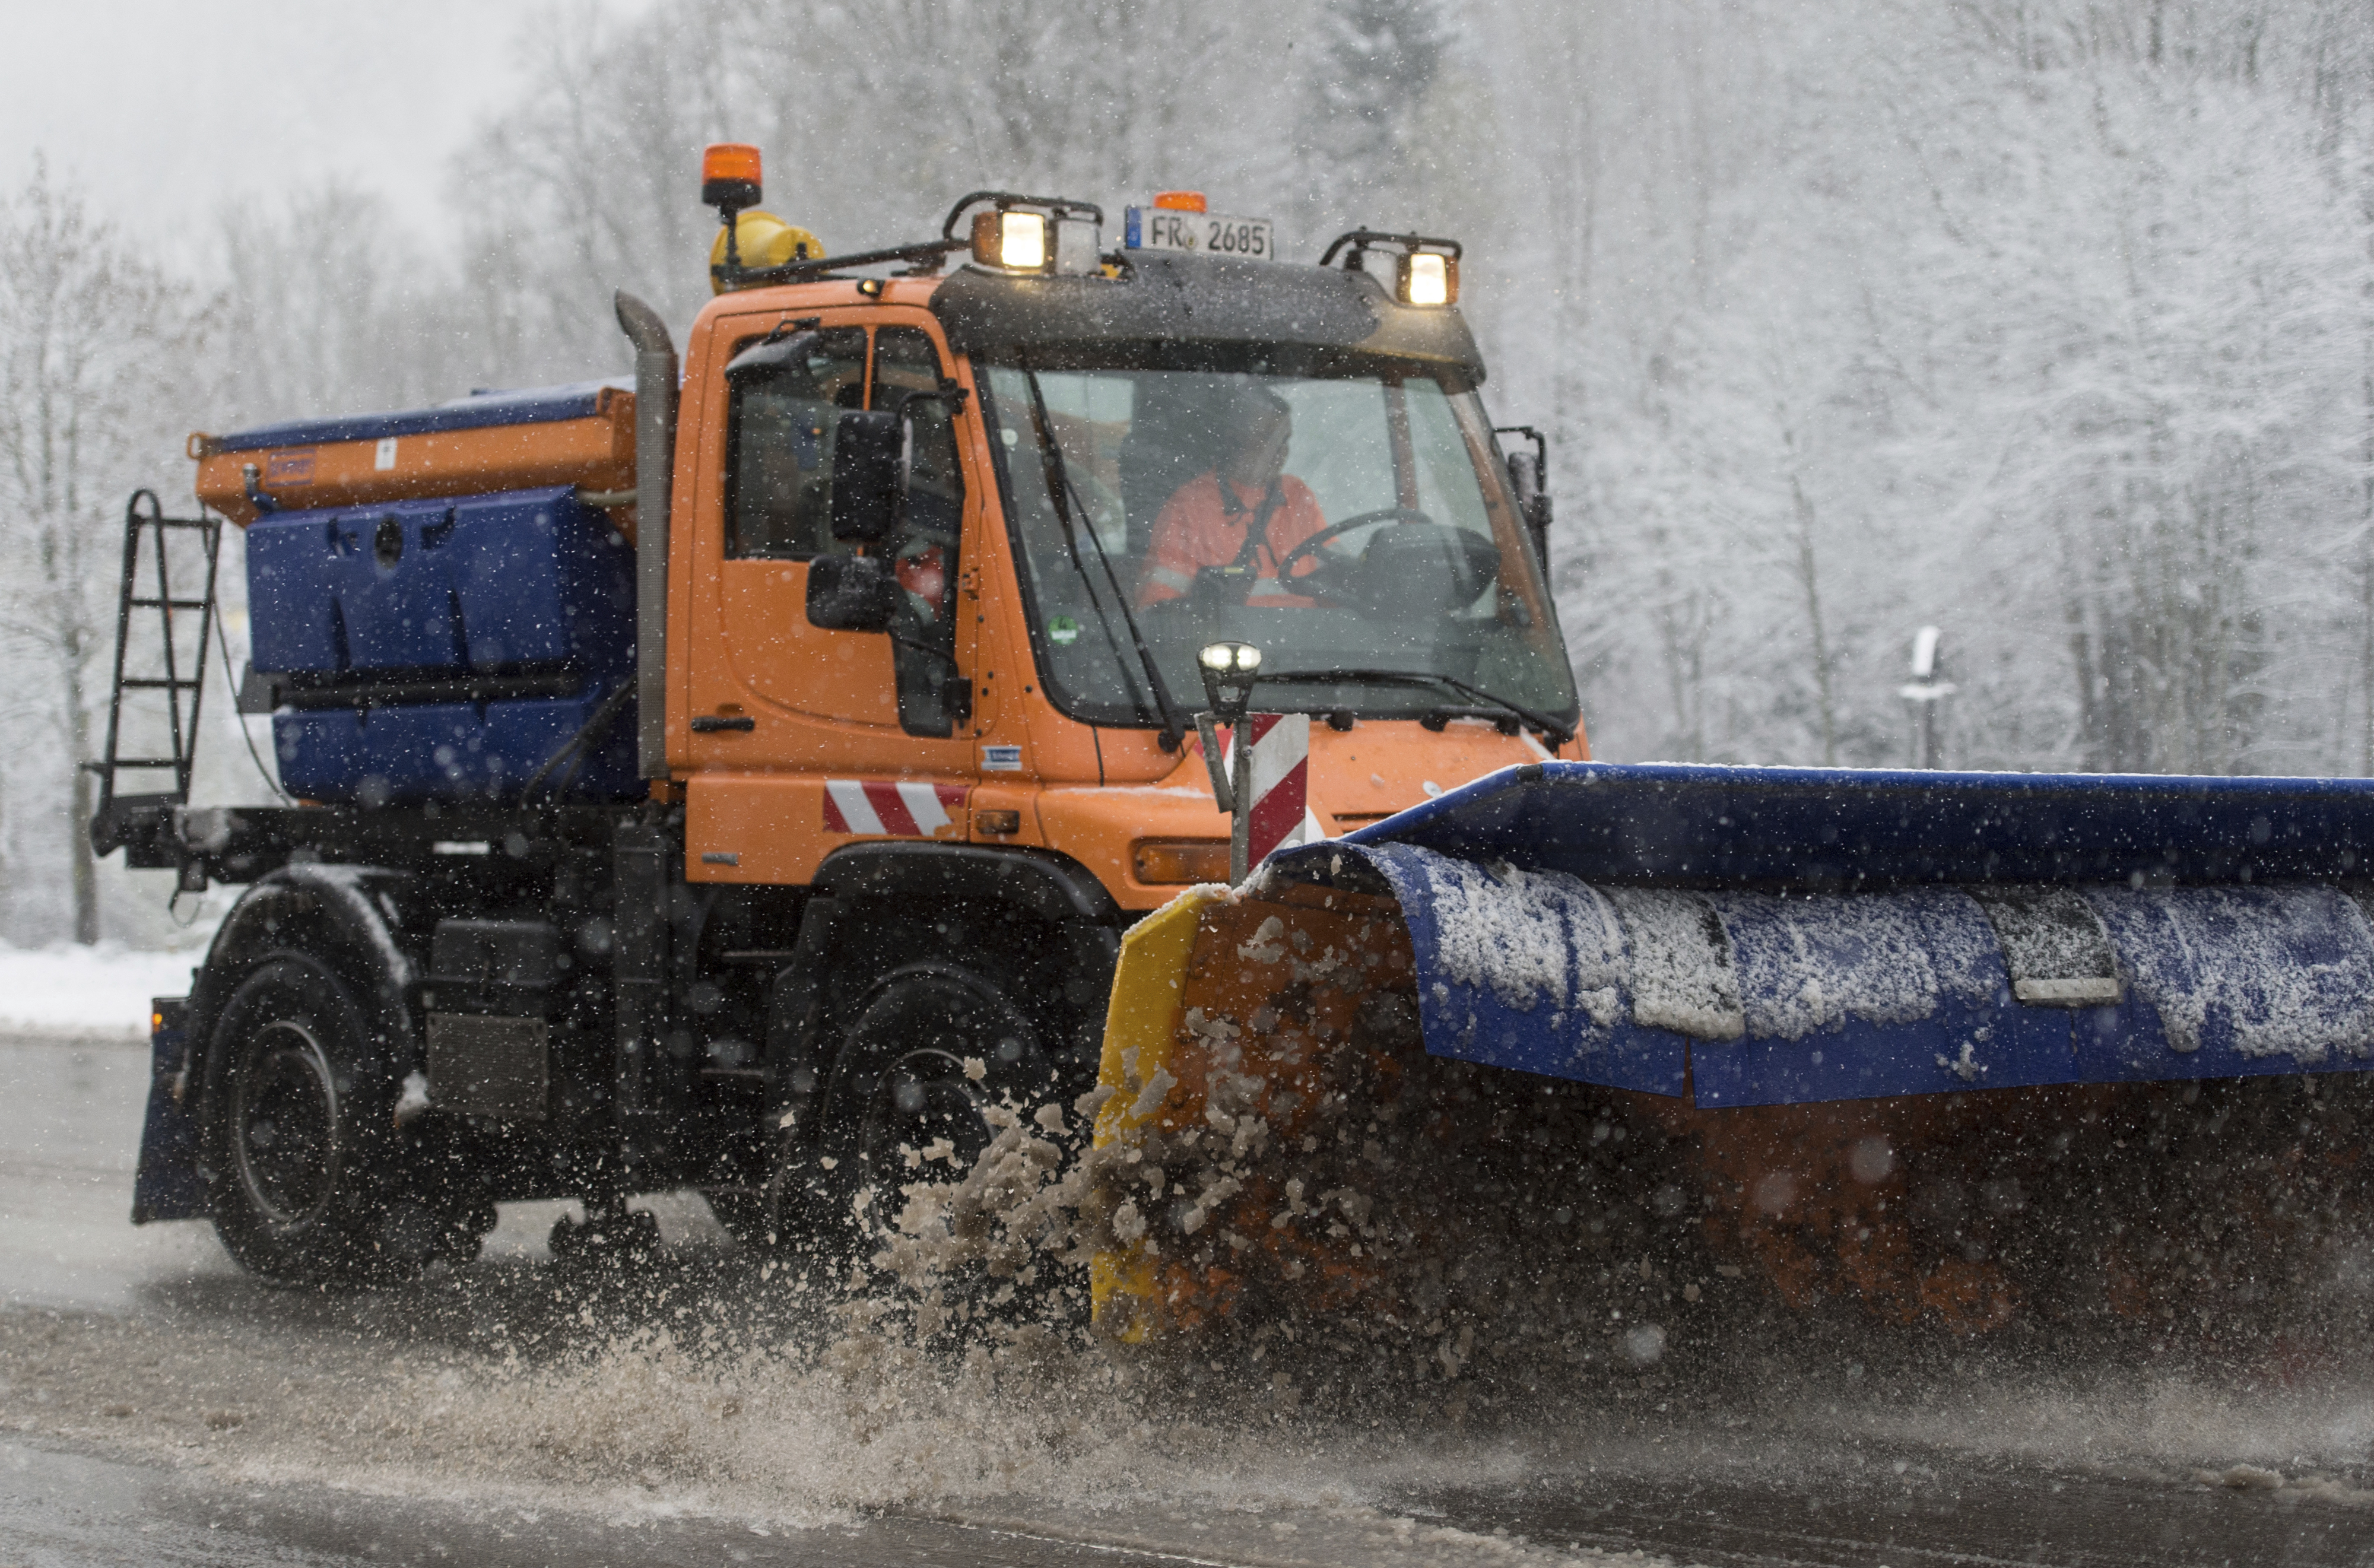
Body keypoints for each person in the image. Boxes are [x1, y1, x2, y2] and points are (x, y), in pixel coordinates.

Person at [1136, 387, 1328, 608]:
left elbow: (1338, 578)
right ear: (1235, 439)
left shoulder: (1297, 494)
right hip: (1227, 639)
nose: (1280, 450)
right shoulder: (1189, 506)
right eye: (1267, 437)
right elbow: (1158, 610)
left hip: (1308, 638)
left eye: (1284, 439)